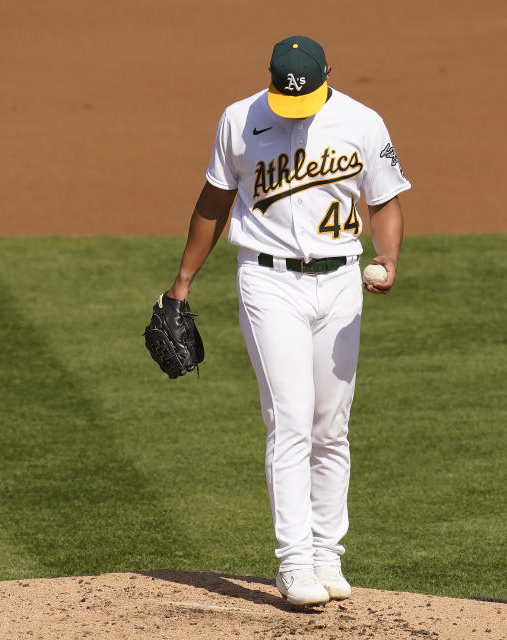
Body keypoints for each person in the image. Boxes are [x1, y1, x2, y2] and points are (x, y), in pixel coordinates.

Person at [165, 35, 410, 606]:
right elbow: (213, 201)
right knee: (291, 418)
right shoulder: (238, 119)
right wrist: (182, 282)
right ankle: (294, 562)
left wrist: (388, 258)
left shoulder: (363, 122)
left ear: (329, 76)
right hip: (268, 282)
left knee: (331, 423)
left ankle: (327, 556)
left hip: (343, 280)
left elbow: (385, 200)